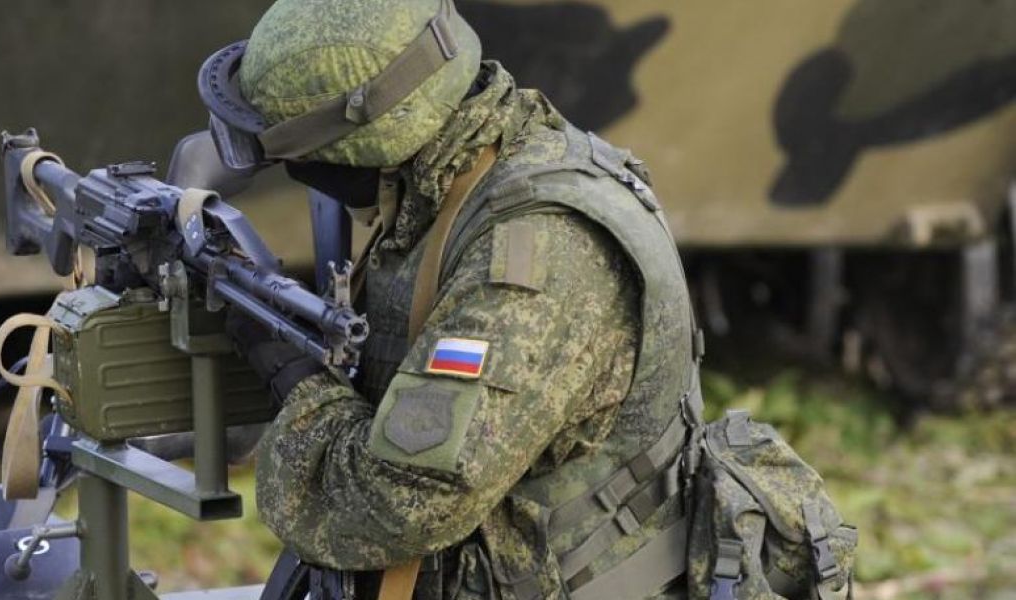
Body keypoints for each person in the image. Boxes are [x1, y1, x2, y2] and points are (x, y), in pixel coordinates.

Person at [201, 0, 703, 597]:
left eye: (296, 154)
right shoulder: (460, 169)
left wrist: (292, 373)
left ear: (366, 140)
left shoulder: (534, 255)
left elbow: (399, 504)